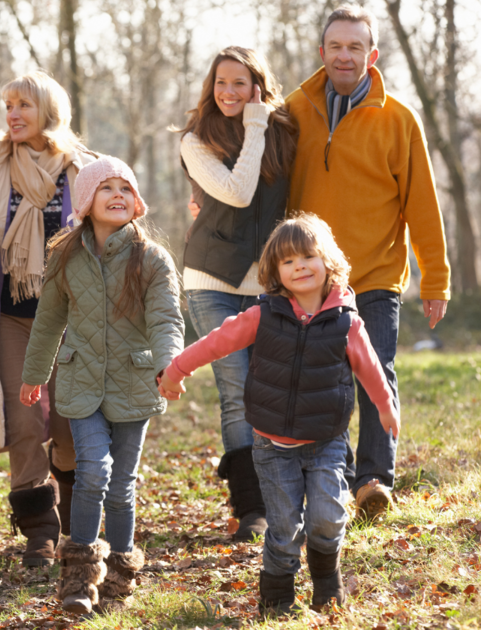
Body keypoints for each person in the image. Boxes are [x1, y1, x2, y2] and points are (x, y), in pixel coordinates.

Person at [161, 214, 400, 616]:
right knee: (285, 526)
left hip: (326, 441)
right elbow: (216, 343)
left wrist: (386, 406)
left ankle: (326, 582)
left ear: (329, 261)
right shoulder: (263, 315)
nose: (300, 266)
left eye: (308, 256)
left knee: (327, 518)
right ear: (275, 272)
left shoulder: (346, 321)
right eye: (288, 261)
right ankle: (276, 599)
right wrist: (176, 369)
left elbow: (370, 368)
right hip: (272, 445)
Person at [286, 4, 450, 519]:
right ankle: (335, 475)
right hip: (313, 278)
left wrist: (435, 278)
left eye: (355, 46)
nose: (344, 55)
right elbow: (262, 178)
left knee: (375, 370)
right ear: (322, 52)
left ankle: (374, 481)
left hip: (377, 274)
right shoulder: (294, 111)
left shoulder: (399, 119)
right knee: (322, 381)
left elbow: (422, 204)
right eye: (335, 45)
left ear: (371, 54)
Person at [20, 156, 185, 614]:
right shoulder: (66, 255)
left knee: (121, 484)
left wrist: (170, 366)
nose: (117, 195)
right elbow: (49, 319)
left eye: (125, 189)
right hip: (82, 382)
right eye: (106, 188)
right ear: (86, 202)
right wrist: (34, 374)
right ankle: (77, 578)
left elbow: (166, 319)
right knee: (93, 471)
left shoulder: (151, 259)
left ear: (137, 203)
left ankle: (118, 574)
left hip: (134, 381)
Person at [0, 72, 97, 567]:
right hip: (13, 318)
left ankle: (70, 515)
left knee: (68, 427)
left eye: (24, 104)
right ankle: (39, 532)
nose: (13, 114)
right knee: (24, 421)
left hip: (71, 319)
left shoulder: (83, 170)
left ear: (48, 109)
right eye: (8, 105)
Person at [175, 46, 298, 541]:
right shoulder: (195, 140)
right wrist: (255, 126)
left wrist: (267, 126)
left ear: (257, 89)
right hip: (211, 281)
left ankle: (281, 493)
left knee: (269, 390)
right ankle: (252, 508)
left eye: (240, 83)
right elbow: (239, 191)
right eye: (221, 82)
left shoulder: (283, 134)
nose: (228, 91)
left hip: (267, 283)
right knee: (237, 391)